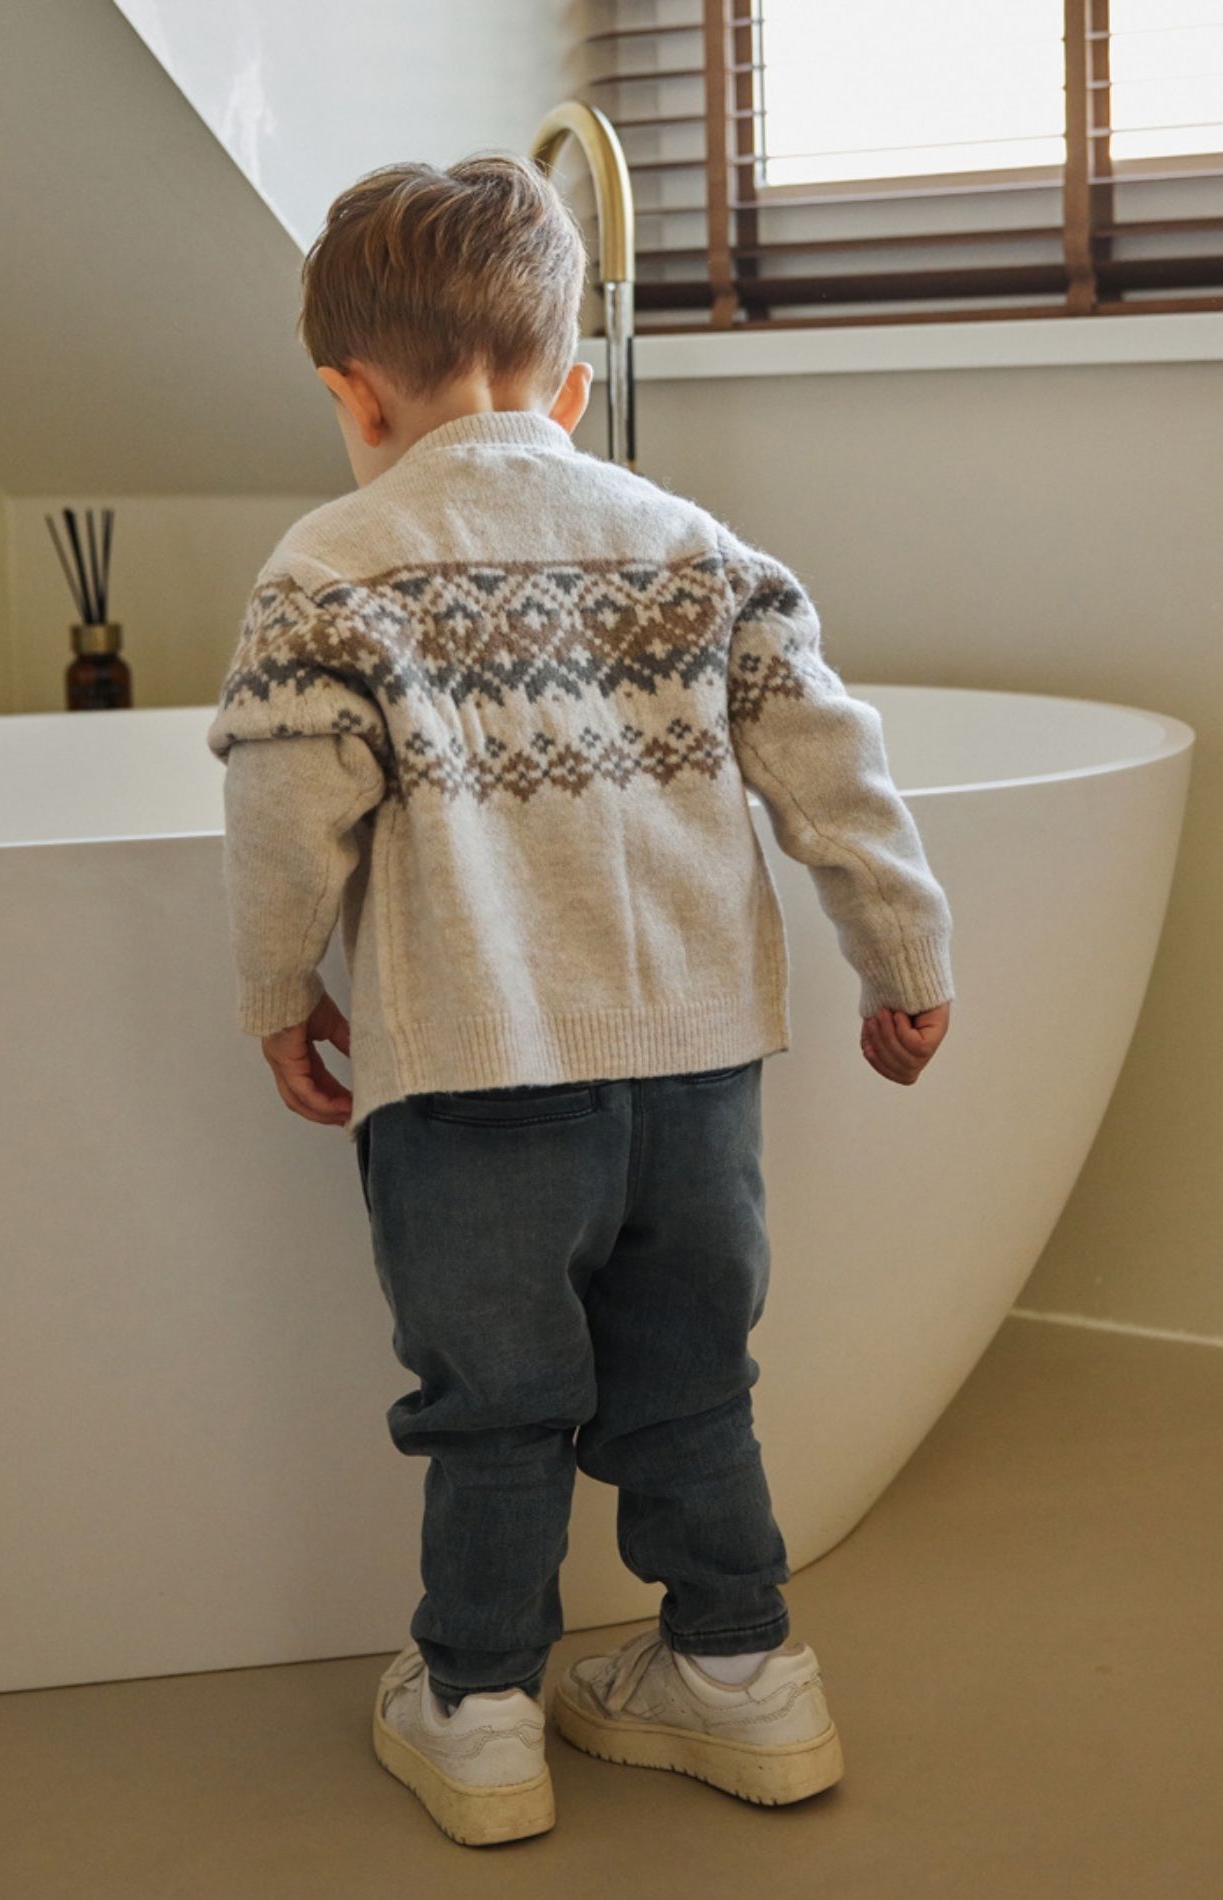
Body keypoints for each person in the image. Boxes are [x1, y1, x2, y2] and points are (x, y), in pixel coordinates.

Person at [205, 152, 955, 1849]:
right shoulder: (698, 553)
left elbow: (281, 824)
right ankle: (743, 1670)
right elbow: (838, 774)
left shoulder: (329, 570)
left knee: (497, 1405)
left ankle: (480, 1711)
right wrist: (903, 959)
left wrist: (277, 995)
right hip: (696, 1078)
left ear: (352, 394)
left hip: (473, 1079)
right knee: (692, 1382)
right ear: (570, 385)